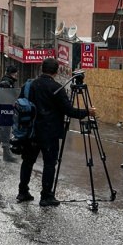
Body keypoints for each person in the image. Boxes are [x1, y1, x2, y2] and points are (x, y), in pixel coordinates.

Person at [18, 58, 95, 206]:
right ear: (57, 71)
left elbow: (21, 103)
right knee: (49, 163)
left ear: (41, 69)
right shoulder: (57, 88)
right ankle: (46, 196)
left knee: (28, 161)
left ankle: (23, 192)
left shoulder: (29, 85)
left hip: (30, 130)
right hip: (49, 132)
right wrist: (87, 112)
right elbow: (69, 110)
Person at [0, 65, 19, 162]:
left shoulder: (4, 82)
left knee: (5, 131)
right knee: (2, 131)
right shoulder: (6, 83)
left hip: (4, 109)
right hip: (5, 109)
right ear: (14, 73)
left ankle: (5, 154)